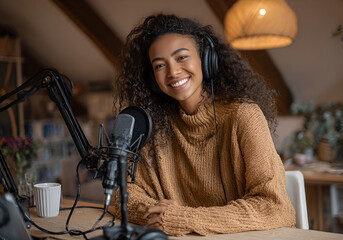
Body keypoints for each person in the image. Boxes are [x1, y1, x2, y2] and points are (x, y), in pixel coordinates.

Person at [113, 13, 296, 236]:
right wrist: (155, 216)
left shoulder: (244, 115)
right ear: (152, 78)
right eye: (160, 65)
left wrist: (179, 218)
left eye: (181, 57)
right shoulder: (156, 125)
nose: (172, 72)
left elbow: (275, 209)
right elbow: (125, 194)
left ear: (206, 59)